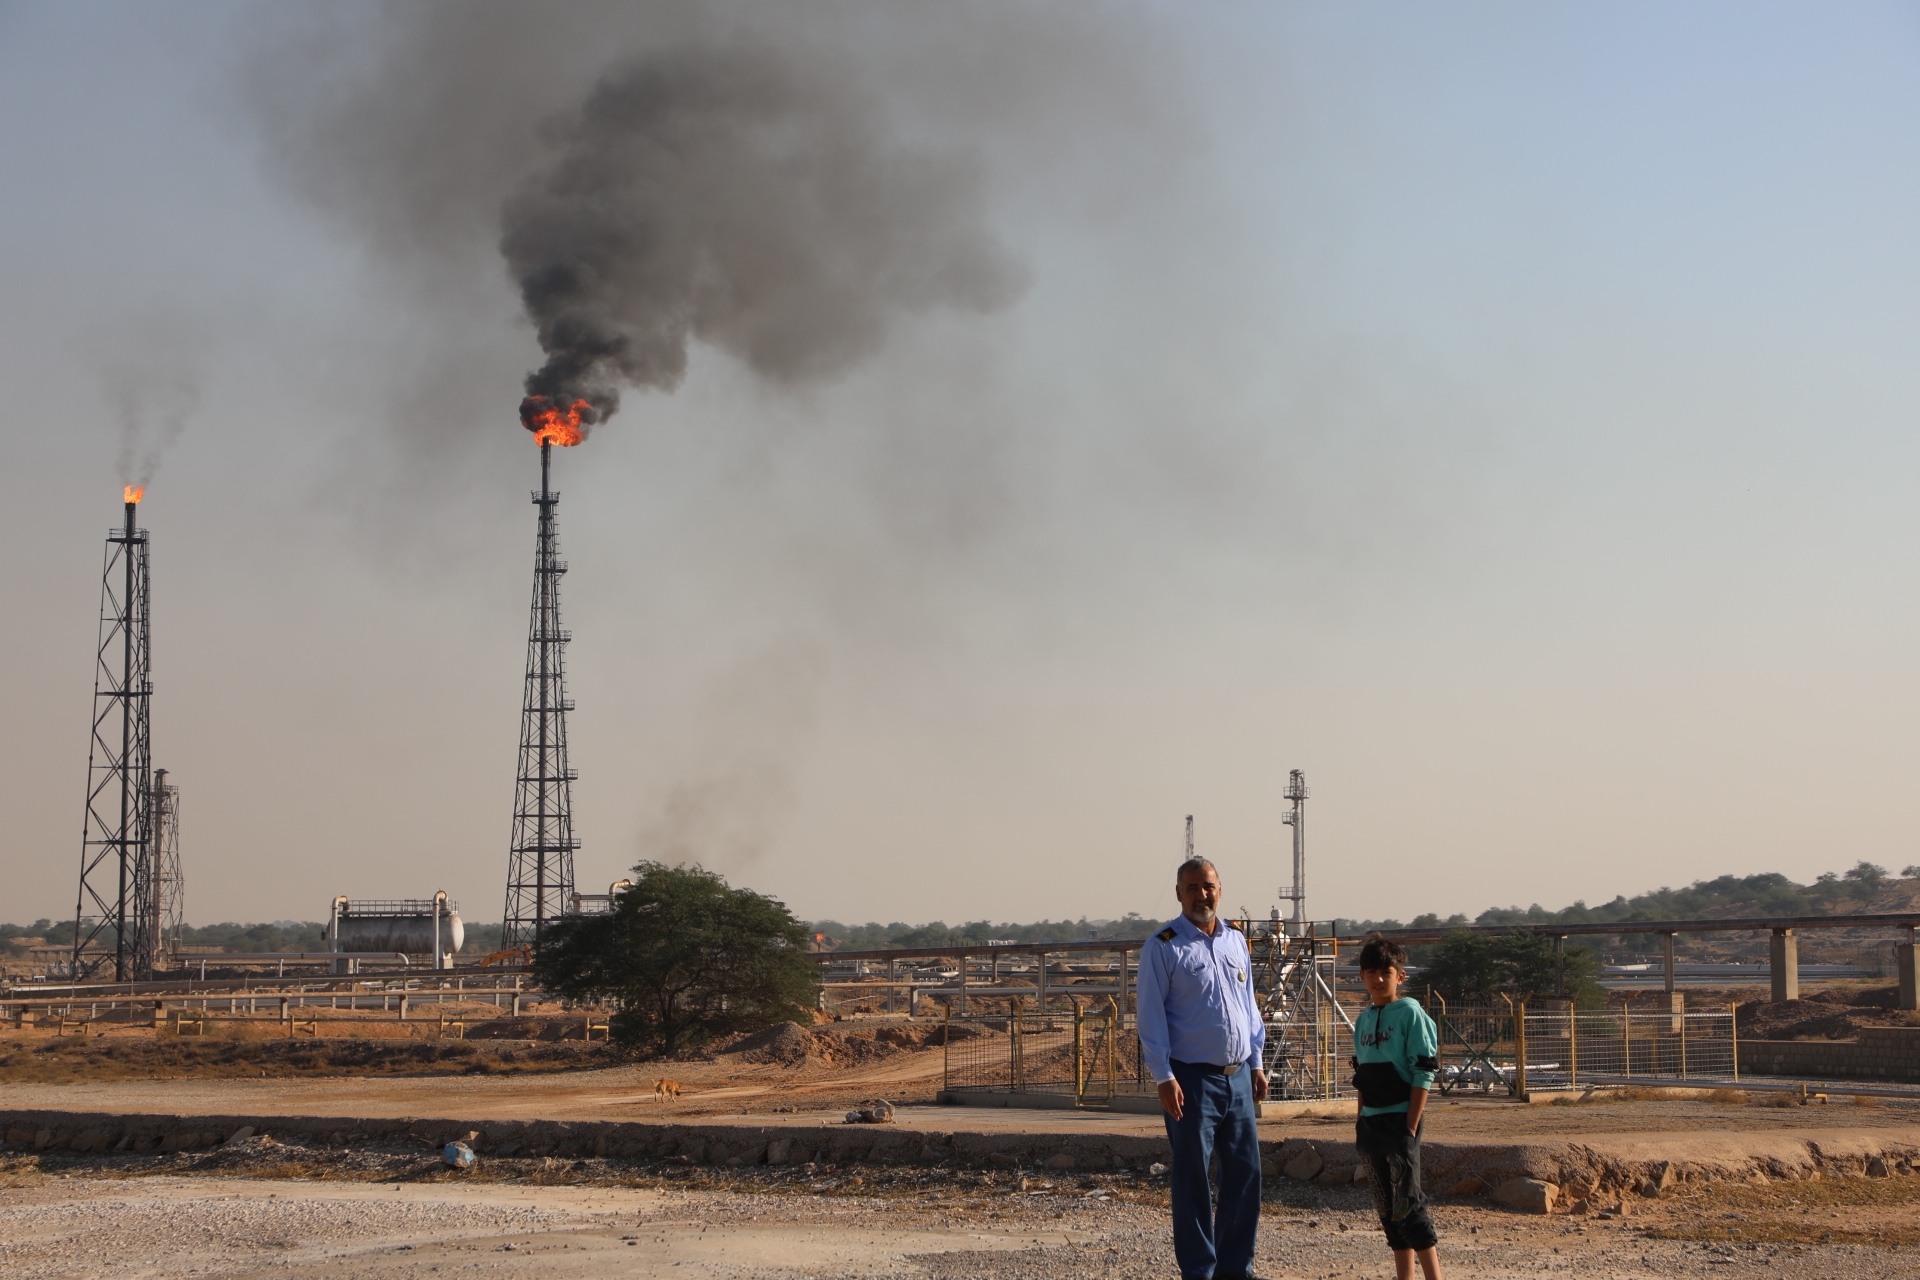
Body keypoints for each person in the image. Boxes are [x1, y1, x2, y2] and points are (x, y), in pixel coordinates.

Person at [1137, 856, 1268, 1280]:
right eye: (1192, 887)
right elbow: (1150, 1015)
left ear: (1220, 888)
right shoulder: (1164, 945)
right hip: (1190, 1081)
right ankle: (1199, 1272)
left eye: (1208, 885)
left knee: (1245, 1176)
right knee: (1194, 1179)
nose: (1201, 894)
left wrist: (1257, 1061)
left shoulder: (1235, 940)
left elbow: (1248, 1008)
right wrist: (1163, 1076)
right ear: (1179, 894)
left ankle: (1237, 1270)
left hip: (1238, 1078)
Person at [1351, 933, 1443, 1280]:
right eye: (1371, 972)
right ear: (1361, 976)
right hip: (1371, 1123)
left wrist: (1411, 1122)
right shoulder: (1361, 1020)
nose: (1377, 980)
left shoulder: (1410, 1014)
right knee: (1387, 1208)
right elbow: (1361, 1073)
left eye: (1385, 973)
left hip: (1400, 1120)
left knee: (1409, 1203)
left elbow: (1424, 1069)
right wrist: (1360, 1119)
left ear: (1399, 976)